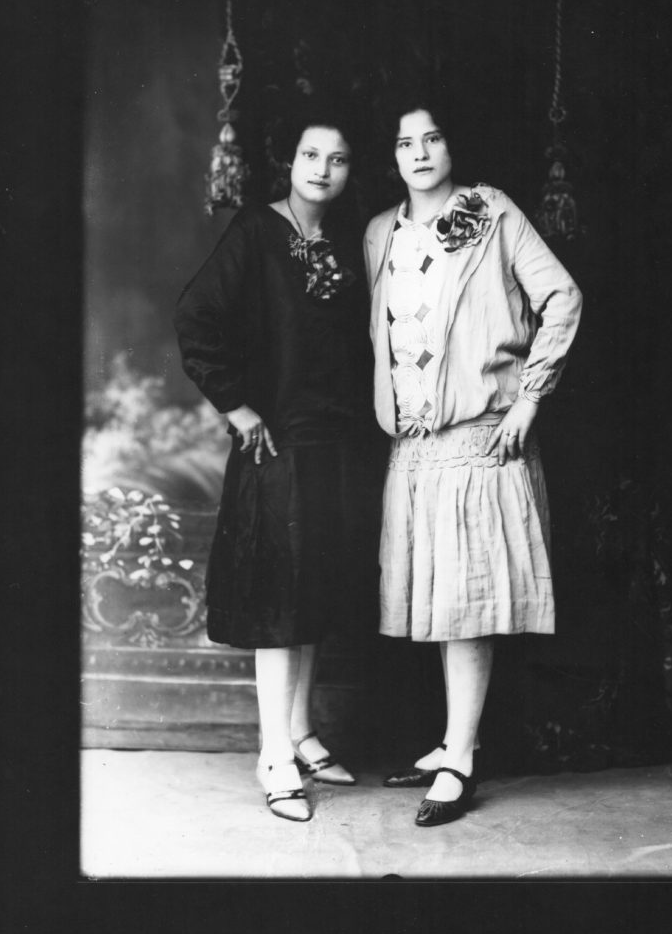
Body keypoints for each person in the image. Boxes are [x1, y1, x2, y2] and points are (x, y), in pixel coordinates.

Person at [363, 97, 583, 826]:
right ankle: (455, 741)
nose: (420, 153)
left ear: (451, 146)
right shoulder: (380, 233)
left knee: (464, 604)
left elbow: (561, 297)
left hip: (479, 441)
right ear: (392, 156)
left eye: (432, 138)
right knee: (440, 601)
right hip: (413, 448)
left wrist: (529, 399)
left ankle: (459, 758)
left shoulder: (492, 212)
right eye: (406, 143)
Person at [175, 107, 377, 822]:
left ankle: (301, 733)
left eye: (338, 158)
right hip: (276, 444)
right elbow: (195, 316)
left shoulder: (350, 241)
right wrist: (237, 408)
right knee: (280, 602)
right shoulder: (256, 231)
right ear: (291, 162)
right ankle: (273, 757)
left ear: (349, 171)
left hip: (335, 441)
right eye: (310, 155)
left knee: (313, 591)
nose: (322, 169)